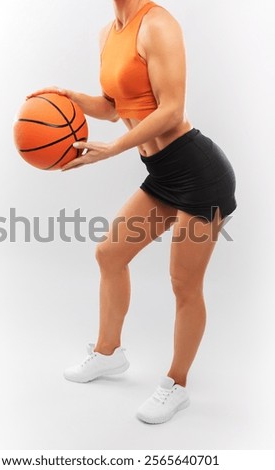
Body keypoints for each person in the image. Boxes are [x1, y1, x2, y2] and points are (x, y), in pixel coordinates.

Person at [27, 0, 237, 424]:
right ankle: (109, 354)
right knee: (109, 254)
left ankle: (176, 385)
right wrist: (71, 99)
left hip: (200, 176)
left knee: (183, 284)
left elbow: (171, 109)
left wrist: (113, 149)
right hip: (161, 173)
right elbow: (114, 105)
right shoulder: (110, 32)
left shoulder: (158, 24)